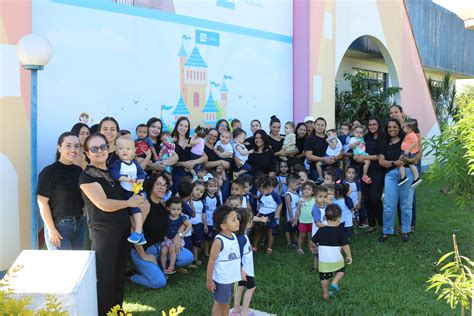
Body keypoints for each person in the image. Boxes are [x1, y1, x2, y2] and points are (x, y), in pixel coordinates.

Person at [79, 133, 146, 315]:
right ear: (87, 153)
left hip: (122, 232)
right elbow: (104, 204)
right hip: (104, 234)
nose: (99, 151)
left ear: (108, 148)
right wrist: (129, 203)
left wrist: (136, 196)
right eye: (94, 148)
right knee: (106, 279)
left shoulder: (114, 171)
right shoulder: (87, 177)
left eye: (102, 147)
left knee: (118, 277)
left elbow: (128, 194)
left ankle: (117, 311)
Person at [130, 172, 194, 289]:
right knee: (160, 282)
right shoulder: (145, 205)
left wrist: (179, 236)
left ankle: (158, 267)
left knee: (187, 257)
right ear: (151, 185)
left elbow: (180, 220)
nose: (161, 187)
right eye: (158, 184)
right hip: (144, 251)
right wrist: (143, 255)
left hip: (162, 247)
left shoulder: (164, 205)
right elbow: (134, 231)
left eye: (164, 185)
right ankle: (133, 276)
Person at [37, 132, 85, 250]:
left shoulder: (79, 171)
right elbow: (42, 202)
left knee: (77, 266)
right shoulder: (49, 172)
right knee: (64, 267)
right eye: (68, 145)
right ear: (59, 148)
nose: (73, 149)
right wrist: (51, 229)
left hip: (79, 225)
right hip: (59, 227)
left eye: (76, 146)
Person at [378, 119, 416, 243]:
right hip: (390, 175)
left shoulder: (406, 140)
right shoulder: (384, 143)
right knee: (389, 204)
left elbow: (416, 154)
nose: (392, 129)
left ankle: (405, 231)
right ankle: (386, 231)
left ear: (399, 128)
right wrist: (394, 163)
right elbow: (381, 162)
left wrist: (408, 161)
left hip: (406, 173)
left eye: (394, 127)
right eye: (389, 127)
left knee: (406, 204)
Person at [109, 135, 148, 244]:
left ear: (133, 151)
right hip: (124, 192)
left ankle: (138, 231)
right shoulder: (117, 164)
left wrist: (140, 179)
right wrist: (126, 178)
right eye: (121, 148)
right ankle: (141, 235)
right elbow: (114, 173)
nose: (124, 151)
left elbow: (141, 173)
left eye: (128, 148)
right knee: (130, 215)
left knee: (136, 210)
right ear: (116, 151)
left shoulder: (135, 164)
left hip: (135, 191)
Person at [311, 204, 352, 300]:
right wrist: (349, 255)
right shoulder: (340, 231)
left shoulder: (321, 230)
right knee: (341, 271)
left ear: (325, 217)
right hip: (336, 259)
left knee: (324, 278)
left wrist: (313, 248)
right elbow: (345, 245)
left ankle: (325, 294)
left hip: (324, 261)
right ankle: (335, 282)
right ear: (338, 218)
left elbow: (312, 242)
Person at [206, 205, 242, 316]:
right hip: (222, 280)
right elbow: (211, 261)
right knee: (219, 304)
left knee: (227, 302)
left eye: (237, 219)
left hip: (233, 278)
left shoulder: (234, 236)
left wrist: (241, 270)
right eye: (233, 220)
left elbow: (236, 257)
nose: (237, 222)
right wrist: (209, 280)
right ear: (223, 226)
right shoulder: (219, 240)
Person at [353, 117, 384, 232]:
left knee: (375, 198)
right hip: (365, 171)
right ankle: (371, 224)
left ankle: (381, 222)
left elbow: (380, 156)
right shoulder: (365, 138)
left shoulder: (382, 137)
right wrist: (356, 157)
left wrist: (365, 157)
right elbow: (357, 151)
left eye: (374, 124)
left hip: (378, 170)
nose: (372, 127)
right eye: (370, 125)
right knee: (367, 199)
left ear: (378, 125)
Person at [172, 117, 208, 193]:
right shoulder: (172, 141)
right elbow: (171, 163)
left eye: (186, 126)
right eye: (181, 125)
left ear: (188, 128)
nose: (183, 128)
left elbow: (204, 157)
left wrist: (193, 162)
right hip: (178, 174)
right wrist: (183, 164)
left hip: (192, 174)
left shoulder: (193, 140)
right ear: (177, 126)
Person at [232, 208, 256, 316]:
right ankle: (244, 311)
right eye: (250, 220)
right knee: (251, 287)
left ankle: (236, 309)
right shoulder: (241, 238)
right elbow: (239, 255)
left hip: (242, 268)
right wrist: (242, 270)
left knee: (240, 287)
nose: (252, 222)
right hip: (244, 269)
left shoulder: (239, 236)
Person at [160, 196, 192, 274]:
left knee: (172, 249)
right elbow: (163, 227)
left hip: (176, 240)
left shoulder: (182, 218)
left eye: (178, 209)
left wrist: (183, 233)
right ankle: (163, 268)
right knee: (163, 251)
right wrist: (164, 235)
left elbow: (189, 225)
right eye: (173, 209)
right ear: (168, 208)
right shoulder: (166, 217)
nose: (176, 211)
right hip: (167, 239)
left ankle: (171, 266)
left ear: (181, 209)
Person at [253, 175, 282, 254]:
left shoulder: (274, 195)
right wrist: (258, 214)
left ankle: (269, 248)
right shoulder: (262, 195)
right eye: (259, 190)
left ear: (269, 187)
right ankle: (254, 246)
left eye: (262, 190)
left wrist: (277, 214)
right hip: (262, 214)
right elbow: (261, 205)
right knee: (258, 231)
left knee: (270, 231)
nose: (260, 192)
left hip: (271, 215)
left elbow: (280, 204)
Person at [295, 181, 316, 254]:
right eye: (305, 189)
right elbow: (298, 211)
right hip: (303, 221)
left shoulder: (314, 199)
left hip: (312, 221)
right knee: (302, 235)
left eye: (309, 189)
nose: (306, 190)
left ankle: (311, 247)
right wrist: (295, 220)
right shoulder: (300, 200)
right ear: (302, 190)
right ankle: (299, 248)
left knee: (310, 236)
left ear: (312, 192)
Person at [399, 119, 422, 188]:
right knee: (401, 163)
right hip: (405, 152)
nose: (403, 128)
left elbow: (415, 142)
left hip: (409, 153)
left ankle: (416, 177)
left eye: (404, 127)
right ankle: (403, 177)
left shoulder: (412, 135)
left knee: (411, 164)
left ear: (409, 129)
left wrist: (408, 149)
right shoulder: (408, 134)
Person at [203, 177, 222, 256]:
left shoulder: (217, 197)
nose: (213, 188)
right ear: (206, 187)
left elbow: (218, 208)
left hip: (213, 220)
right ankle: (206, 251)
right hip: (206, 220)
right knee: (207, 238)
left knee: (213, 236)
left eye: (215, 186)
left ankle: (213, 250)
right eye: (211, 186)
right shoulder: (204, 196)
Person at [190, 181, 207, 264]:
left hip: (199, 225)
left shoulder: (202, 202)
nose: (198, 193)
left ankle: (195, 258)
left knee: (196, 242)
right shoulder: (188, 201)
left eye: (201, 192)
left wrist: (205, 224)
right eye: (197, 189)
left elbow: (203, 214)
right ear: (192, 189)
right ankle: (188, 259)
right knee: (189, 242)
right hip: (189, 225)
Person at [284, 173, 300, 247]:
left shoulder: (295, 192)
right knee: (288, 229)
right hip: (291, 216)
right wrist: (290, 217)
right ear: (291, 183)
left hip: (296, 215)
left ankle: (296, 240)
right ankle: (289, 242)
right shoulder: (288, 194)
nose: (298, 185)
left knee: (295, 229)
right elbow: (289, 206)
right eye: (297, 184)